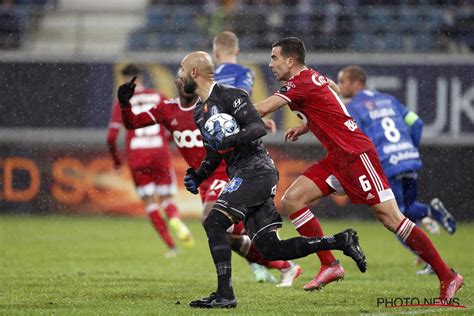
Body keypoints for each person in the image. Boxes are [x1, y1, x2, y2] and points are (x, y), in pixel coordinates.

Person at [122, 51, 367, 308]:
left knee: (214, 222)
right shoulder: (199, 112)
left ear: (194, 73)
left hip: (256, 170)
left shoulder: (231, 95)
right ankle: (341, 240)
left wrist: (230, 140)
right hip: (245, 172)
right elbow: (215, 152)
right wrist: (199, 174)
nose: (179, 76)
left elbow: (257, 128)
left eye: (182, 70)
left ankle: (224, 294)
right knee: (270, 248)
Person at [254, 37, 463, 300]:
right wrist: (307, 125)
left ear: (290, 60)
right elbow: (333, 92)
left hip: (356, 154)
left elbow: (261, 109)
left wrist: (227, 110)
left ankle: (448, 276)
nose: (270, 64)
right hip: (337, 158)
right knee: (293, 200)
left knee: (391, 218)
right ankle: (330, 265)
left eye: (274, 58)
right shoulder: (311, 77)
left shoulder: (300, 82)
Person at [119, 69, 302, 288]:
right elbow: (133, 123)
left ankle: (230, 286)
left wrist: (263, 122)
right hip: (205, 178)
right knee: (230, 236)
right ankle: (283, 264)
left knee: (212, 221)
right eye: (177, 77)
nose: (180, 80)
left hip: (226, 172)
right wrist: (124, 104)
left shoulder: (211, 105)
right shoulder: (167, 109)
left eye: (183, 75)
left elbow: (246, 119)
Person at [336, 65, 456, 275]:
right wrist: (410, 148)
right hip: (407, 157)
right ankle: (430, 213)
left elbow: (355, 139)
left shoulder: (354, 107)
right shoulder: (388, 99)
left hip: (387, 162)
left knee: (394, 218)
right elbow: (417, 123)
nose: (340, 86)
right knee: (406, 209)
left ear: (356, 83)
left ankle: (428, 252)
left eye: (343, 81)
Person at [107, 64, 194, 258]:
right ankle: (174, 219)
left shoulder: (122, 101)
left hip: (137, 157)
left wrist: (117, 162)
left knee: (149, 203)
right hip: (159, 153)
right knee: (167, 199)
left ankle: (172, 247)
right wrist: (167, 141)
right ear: (142, 77)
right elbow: (174, 125)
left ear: (124, 79)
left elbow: (112, 136)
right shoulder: (158, 96)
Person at [213, 30, 278, 281]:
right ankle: (271, 257)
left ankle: (259, 263)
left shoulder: (209, 79)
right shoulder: (245, 73)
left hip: (215, 147)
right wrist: (256, 121)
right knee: (243, 209)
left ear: (216, 52)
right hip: (242, 147)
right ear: (237, 51)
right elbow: (240, 104)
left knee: (219, 217)